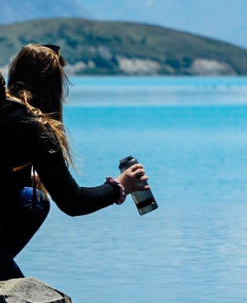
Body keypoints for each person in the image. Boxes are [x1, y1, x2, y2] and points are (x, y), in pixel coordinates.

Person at [0, 43, 150, 281]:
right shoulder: (33, 126)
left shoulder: (3, 110)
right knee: (35, 201)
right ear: (53, 86)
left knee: (34, 199)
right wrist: (119, 186)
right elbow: (73, 202)